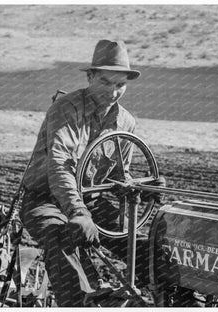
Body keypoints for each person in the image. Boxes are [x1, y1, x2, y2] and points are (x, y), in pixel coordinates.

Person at [20, 39, 161, 307]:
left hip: (92, 201)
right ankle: (83, 300)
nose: (113, 91)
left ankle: (163, 295)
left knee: (140, 245)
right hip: (45, 199)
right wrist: (78, 212)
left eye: (120, 85)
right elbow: (60, 164)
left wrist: (140, 188)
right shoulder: (67, 109)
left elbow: (119, 175)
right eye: (106, 82)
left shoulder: (126, 122)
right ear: (90, 77)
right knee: (60, 235)